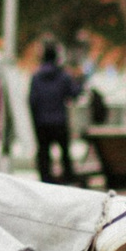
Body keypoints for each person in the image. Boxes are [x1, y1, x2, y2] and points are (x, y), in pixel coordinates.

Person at [27, 40, 79, 184]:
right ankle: (67, 179)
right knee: (65, 153)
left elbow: (32, 100)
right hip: (59, 120)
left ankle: (45, 180)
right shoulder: (63, 76)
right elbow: (74, 94)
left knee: (44, 153)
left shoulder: (36, 77)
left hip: (42, 122)